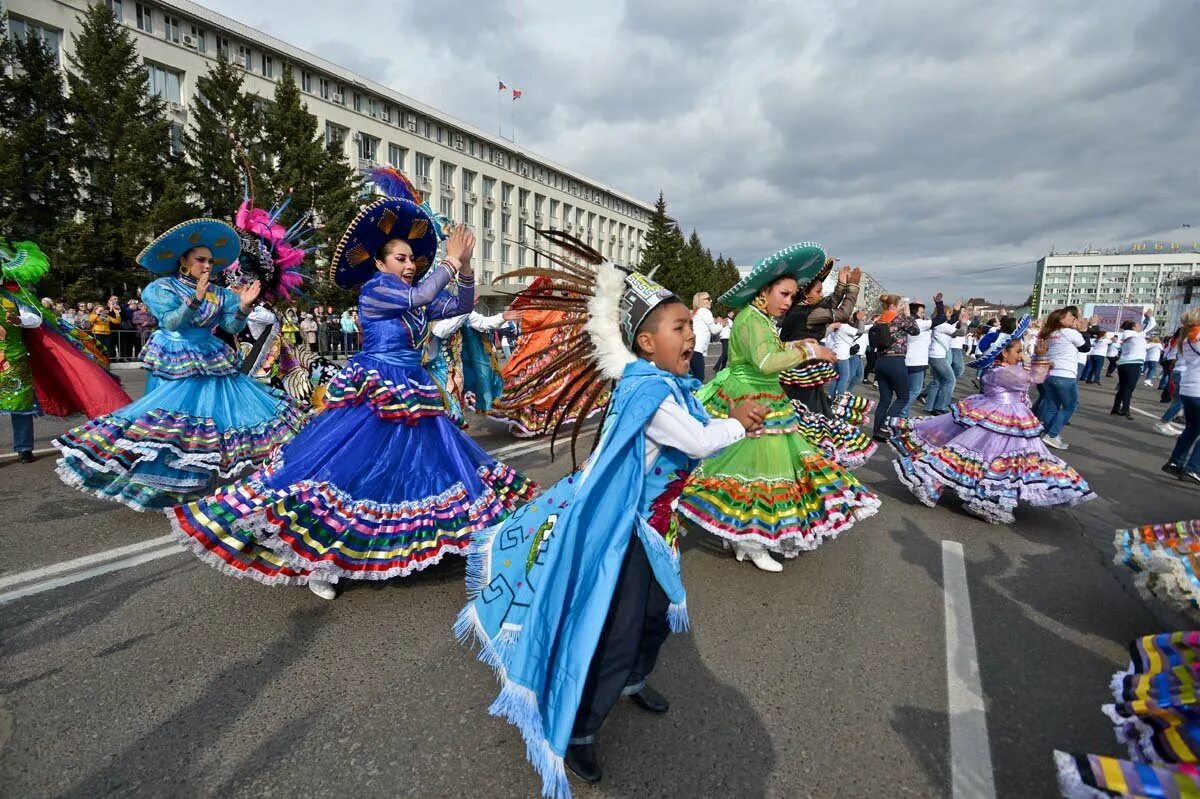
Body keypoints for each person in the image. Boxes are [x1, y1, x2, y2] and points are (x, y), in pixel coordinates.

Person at [457, 244, 765, 795]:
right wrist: (738, 423)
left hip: (655, 530)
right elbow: (696, 439)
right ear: (647, 343)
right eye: (679, 326)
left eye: (689, 326)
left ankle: (634, 682)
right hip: (623, 535)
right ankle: (578, 729)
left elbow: (690, 423)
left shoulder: (657, 381)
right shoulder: (649, 390)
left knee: (655, 616)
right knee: (616, 632)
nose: (692, 334)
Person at [170, 172, 534, 599]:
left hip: (412, 385)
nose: (409, 264)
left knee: (410, 469)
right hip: (375, 386)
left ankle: (386, 542)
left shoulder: (413, 291)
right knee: (348, 467)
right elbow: (419, 299)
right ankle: (319, 561)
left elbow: (461, 304)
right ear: (380, 264)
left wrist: (466, 266)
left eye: (412, 258)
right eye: (399, 258)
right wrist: (450, 262)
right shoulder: (376, 290)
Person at [55, 218, 303, 510]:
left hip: (209, 354)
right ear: (183, 259)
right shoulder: (161, 288)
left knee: (210, 420)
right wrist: (195, 299)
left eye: (211, 260)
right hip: (175, 354)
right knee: (170, 422)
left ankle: (198, 478)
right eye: (200, 259)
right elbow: (171, 321)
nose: (207, 265)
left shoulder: (221, 292)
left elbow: (230, 327)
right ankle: (161, 483)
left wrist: (245, 307)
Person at [679, 243, 879, 572]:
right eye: (784, 294)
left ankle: (742, 536)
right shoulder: (753, 320)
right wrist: (810, 353)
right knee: (762, 473)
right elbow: (766, 361)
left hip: (760, 395)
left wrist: (800, 343)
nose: (789, 301)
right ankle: (750, 539)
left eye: (791, 295)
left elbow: (771, 349)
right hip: (753, 399)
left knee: (751, 472)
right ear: (764, 292)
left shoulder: (756, 317)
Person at [890, 317, 1095, 524]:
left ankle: (988, 496)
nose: (1021, 355)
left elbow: (1030, 378)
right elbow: (1031, 379)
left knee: (1006, 459)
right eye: (1018, 351)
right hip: (999, 416)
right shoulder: (1000, 372)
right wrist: (1040, 360)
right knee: (988, 457)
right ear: (1004, 353)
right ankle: (978, 496)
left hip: (1012, 417)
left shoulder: (1008, 369)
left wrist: (1037, 361)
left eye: (1022, 351)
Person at [0, 241, 131, 462]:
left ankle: (23, 449)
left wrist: (19, 319)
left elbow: (37, 319)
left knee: (19, 406)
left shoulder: (14, 295)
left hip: (14, 358)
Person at [778, 262, 876, 467]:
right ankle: (805, 460)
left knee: (807, 413)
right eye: (818, 290)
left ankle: (800, 457)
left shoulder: (800, 309)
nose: (822, 295)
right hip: (801, 371)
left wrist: (841, 284)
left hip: (799, 368)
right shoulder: (807, 314)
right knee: (809, 415)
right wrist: (853, 288)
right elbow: (841, 314)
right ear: (806, 294)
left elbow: (828, 303)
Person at [488, 277, 607, 438]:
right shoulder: (550, 310)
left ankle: (530, 422)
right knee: (531, 389)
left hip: (542, 358)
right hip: (534, 357)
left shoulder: (556, 309)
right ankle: (526, 421)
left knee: (539, 391)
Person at [427, 307, 511, 423]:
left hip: (456, 371)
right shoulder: (430, 310)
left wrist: (503, 317)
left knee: (454, 410)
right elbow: (440, 331)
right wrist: (464, 307)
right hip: (434, 371)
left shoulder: (462, 311)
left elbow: (482, 323)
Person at [1035, 306, 1089, 450]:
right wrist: (1084, 331)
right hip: (1065, 374)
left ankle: (1045, 433)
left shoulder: (1050, 333)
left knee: (1051, 406)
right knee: (1070, 405)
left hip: (1050, 373)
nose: (1074, 319)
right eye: (1071, 316)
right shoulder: (1070, 333)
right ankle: (1052, 435)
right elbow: (1085, 348)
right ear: (1061, 319)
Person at [870, 293, 922, 440]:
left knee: (884, 399)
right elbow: (915, 331)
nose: (902, 308)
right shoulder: (899, 319)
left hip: (880, 362)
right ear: (893, 306)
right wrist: (908, 315)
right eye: (900, 306)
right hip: (895, 361)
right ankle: (885, 428)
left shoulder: (879, 321)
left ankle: (876, 431)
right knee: (903, 397)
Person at [1161, 308, 1200, 484]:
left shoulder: (1188, 337)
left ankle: (1175, 462)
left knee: (1192, 428)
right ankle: (1194, 468)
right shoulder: (1196, 336)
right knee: (1193, 428)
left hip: (1189, 388)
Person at [923, 296, 967, 415]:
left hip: (933, 355)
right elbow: (961, 333)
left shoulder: (938, 324)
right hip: (939, 356)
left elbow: (952, 321)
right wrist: (963, 324)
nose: (950, 315)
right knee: (950, 380)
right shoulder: (943, 325)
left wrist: (957, 311)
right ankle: (941, 407)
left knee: (937, 381)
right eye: (949, 313)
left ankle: (929, 406)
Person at [1112, 314, 1156, 417]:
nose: (1141, 327)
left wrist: (1155, 344)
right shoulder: (1134, 334)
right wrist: (1150, 317)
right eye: (1138, 326)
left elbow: (1145, 346)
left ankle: (1116, 408)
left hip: (1124, 364)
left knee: (1123, 387)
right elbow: (1152, 326)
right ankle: (1125, 410)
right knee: (1129, 388)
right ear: (1133, 328)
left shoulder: (1134, 337)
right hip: (1132, 364)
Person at [688, 291, 725, 381]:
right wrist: (721, 324)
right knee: (699, 378)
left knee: (692, 378)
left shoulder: (698, 312)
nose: (711, 300)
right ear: (701, 301)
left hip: (691, 349)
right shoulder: (705, 311)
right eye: (708, 299)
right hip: (697, 350)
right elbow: (714, 330)